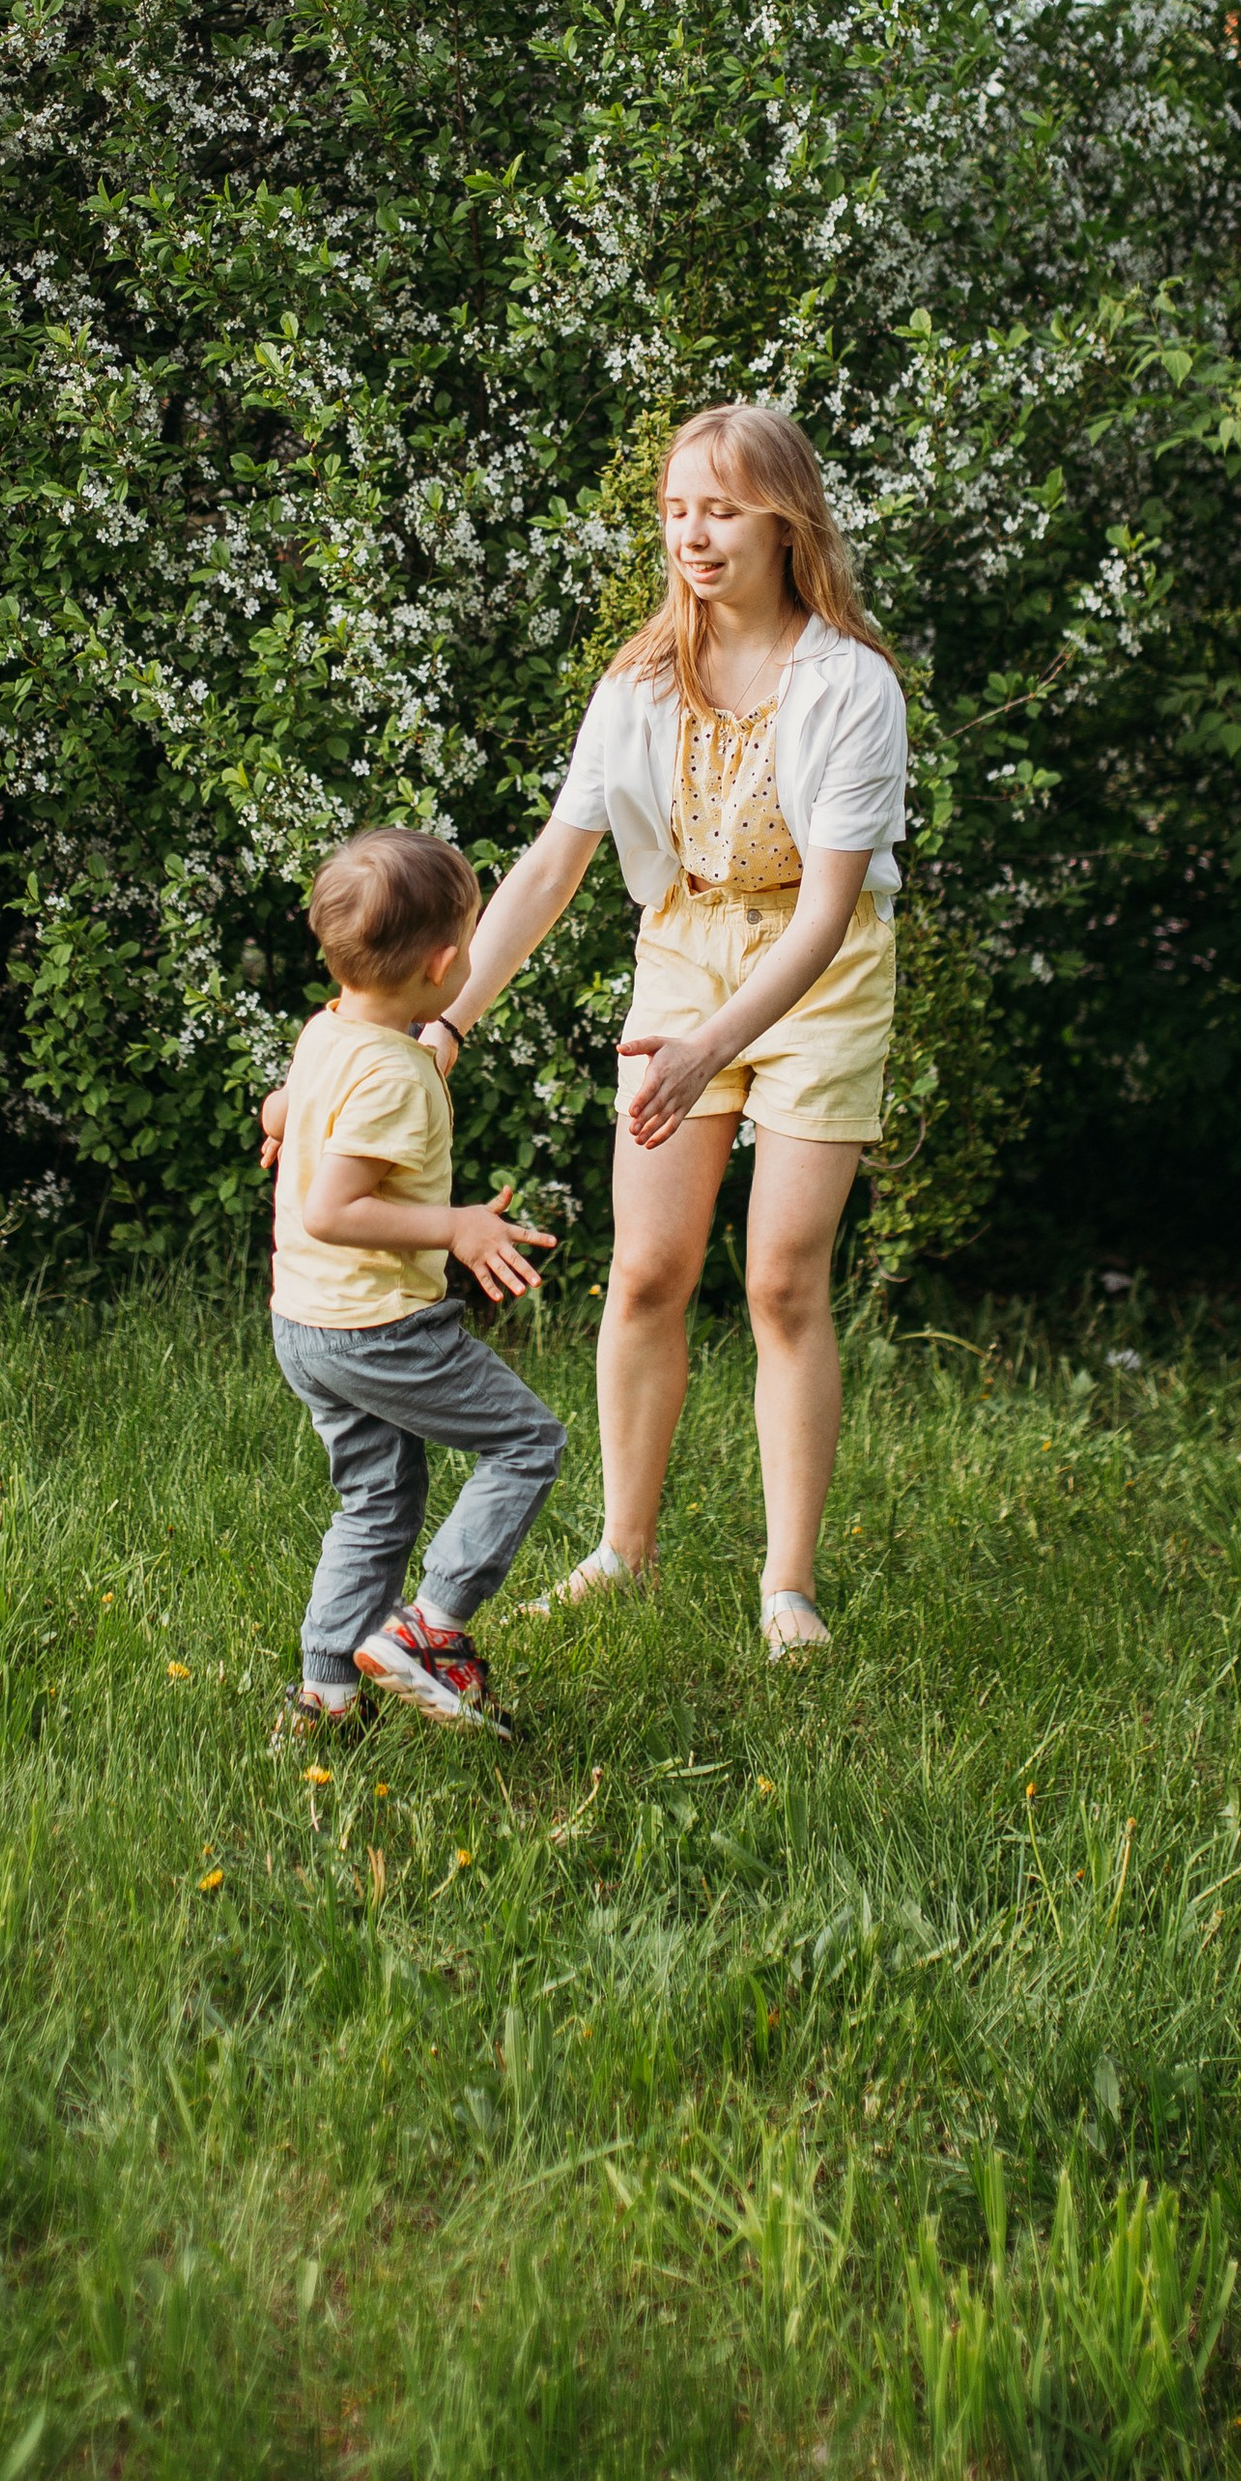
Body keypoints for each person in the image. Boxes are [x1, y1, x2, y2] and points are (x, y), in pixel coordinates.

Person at [423, 404, 905, 1659]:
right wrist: (447, 1024)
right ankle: (620, 1553)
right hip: (685, 950)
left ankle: (785, 1587)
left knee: (782, 1281)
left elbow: (828, 916)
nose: (694, 534)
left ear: (784, 520)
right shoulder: (639, 681)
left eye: (723, 507)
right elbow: (545, 873)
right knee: (645, 1272)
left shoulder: (850, 685)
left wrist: (705, 1053)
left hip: (821, 966)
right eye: (677, 508)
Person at [259, 827, 564, 1732]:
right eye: (469, 942)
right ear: (441, 965)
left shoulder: (329, 1031)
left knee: (380, 1497)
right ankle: (430, 1630)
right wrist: (456, 1224)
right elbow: (334, 1208)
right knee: (527, 1442)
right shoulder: (392, 1076)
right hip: (379, 1327)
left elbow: (288, 1104)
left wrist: (287, 1122)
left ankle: (325, 1693)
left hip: (307, 1324)